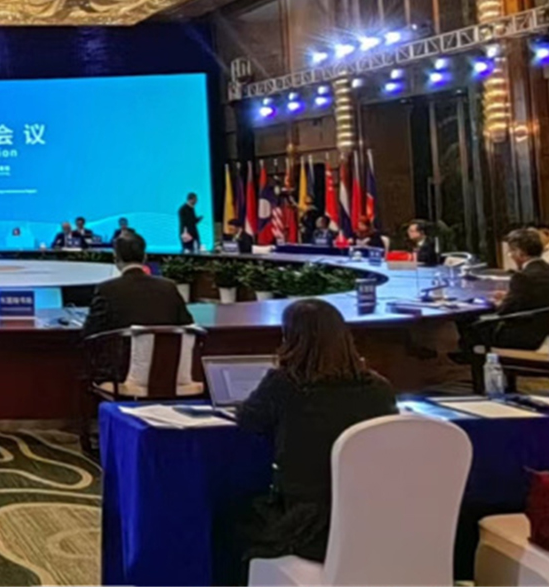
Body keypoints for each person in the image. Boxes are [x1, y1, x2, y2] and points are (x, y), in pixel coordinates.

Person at [232, 299, 398, 569]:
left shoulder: (284, 384)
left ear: (290, 339)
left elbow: (249, 421)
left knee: (232, 517)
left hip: (303, 525)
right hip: (368, 520)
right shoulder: (379, 388)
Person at [462, 229, 549, 354]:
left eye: (511, 251)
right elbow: (541, 297)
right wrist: (510, 296)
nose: (510, 255)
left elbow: (504, 310)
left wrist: (498, 302)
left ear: (520, 253)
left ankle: (472, 360)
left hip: (523, 335)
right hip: (548, 331)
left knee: (471, 325)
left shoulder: (522, 277)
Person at [81, 233, 194, 347]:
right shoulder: (168, 287)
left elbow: (89, 333)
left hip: (121, 357)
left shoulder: (106, 290)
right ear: (145, 257)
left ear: (116, 259)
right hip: (165, 357)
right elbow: (188, 326)